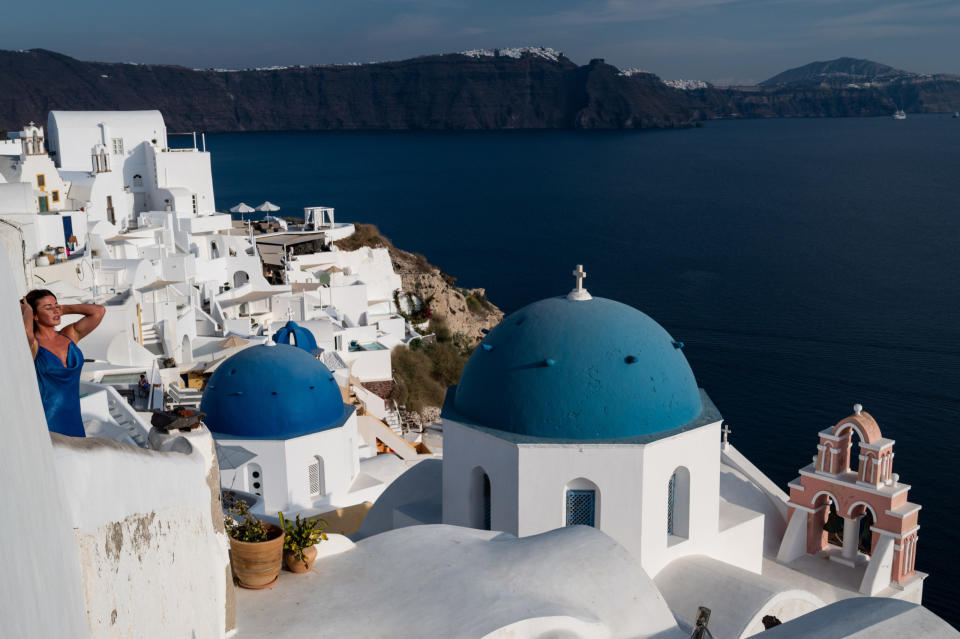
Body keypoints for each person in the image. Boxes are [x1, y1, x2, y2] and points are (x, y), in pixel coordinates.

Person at [20, 289, 105, 437]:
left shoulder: (69, 335)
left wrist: (64, 309)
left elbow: (99, 311)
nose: (55, 310)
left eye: (56, 305)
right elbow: (27, 333)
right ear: (35, 315)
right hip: (48, 420)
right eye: (48, 308)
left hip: (73, 419)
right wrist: (26, 310)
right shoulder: (34, 345)